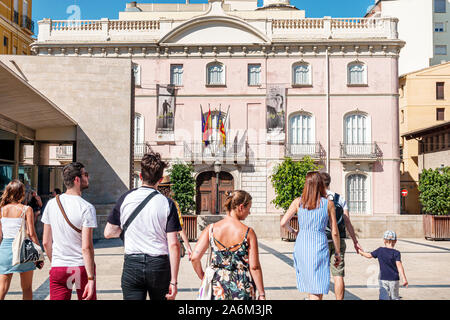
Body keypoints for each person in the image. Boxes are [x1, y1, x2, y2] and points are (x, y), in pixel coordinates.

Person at [104, 152, 182, 300]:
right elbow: (174, 245)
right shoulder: (167, 203)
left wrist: (129, 230)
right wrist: (174, 281)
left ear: (140, 176)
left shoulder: (125, 198)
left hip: (132, 264)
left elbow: (108, 232)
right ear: (160, 179)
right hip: (159, 265)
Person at [191, 190, 266, 300]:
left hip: (216, 286)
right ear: (241, 207)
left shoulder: (211, 229)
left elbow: (194, 258)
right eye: (248, 209)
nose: (249, 213)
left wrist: (202, 276)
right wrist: (262, 293)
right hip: (241, 286)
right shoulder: (248, 232)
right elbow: (254, 267)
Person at [281, 171, 341, 300]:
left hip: (302, 244)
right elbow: (335, 231)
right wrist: (337, 252)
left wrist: (295, 231)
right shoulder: (328, 204)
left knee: (310, 284)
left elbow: (283, 223)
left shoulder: (298, 202)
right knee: (316, 286)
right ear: (320, 185)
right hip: (319, 244)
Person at [41, 162, 97, 300]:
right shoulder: (86, 207)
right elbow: (86, 247)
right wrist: (91, 278)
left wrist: (56, 262)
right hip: (80, 267)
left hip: (59, 267)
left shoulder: (51, 204)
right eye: (86, 174)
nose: (88, 177)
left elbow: (46, 242)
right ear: (77, 179)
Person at [320, 172, 363, 300]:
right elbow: (347, 221)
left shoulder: (318, 199)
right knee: (338, 275)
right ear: (329, 182)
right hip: (338, 240)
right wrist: (355, 241)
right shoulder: (340, 198)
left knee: (320, 273)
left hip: (321, 240)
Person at [0, 180, 43, 300]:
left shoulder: (2, 210)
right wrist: (39, 255)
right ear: (21, 193)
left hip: (5, 250)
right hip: (23, 250)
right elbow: (31, 233)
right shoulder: (26, 209)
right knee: (27, 288)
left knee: (2, 289)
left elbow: (0, 235)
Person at [359, 230, 408, 300]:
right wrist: (404, 278)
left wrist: (361, 253)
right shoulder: (396, 253)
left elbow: (369, 255)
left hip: (383, 279)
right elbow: (399, 266)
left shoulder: (380, 250)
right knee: (395, 297)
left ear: (384, 240)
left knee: (383, 297)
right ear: (395, 241)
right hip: (394, 279)